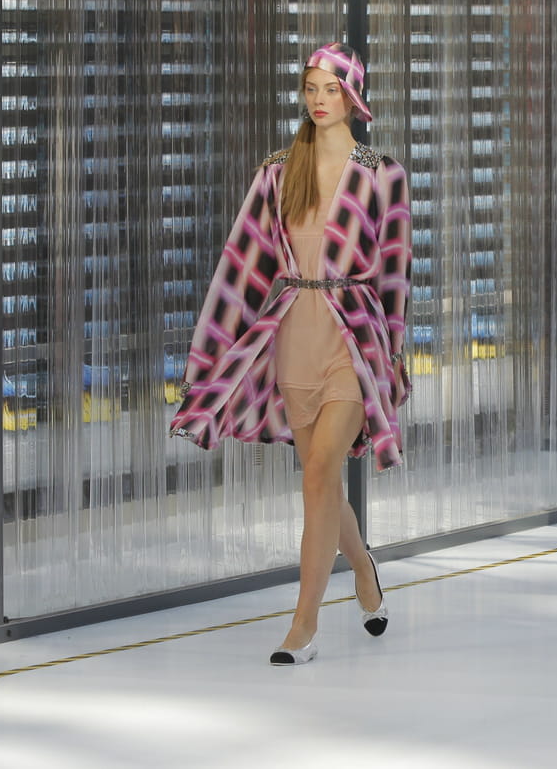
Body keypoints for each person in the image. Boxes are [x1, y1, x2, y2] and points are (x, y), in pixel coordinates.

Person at [170, 42, 412, 663]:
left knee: (319, 472)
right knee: (319, 479)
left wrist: (394, 357)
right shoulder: (278, 170)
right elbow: (243, 263)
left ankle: (303, 627)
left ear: (353, 97)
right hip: (293, 339)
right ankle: (363, 569)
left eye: (331, 89)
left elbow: (395, 273)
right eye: (311, 89)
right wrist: (218, 349)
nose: (319, 101)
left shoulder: (382, 172)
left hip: (355, 338)